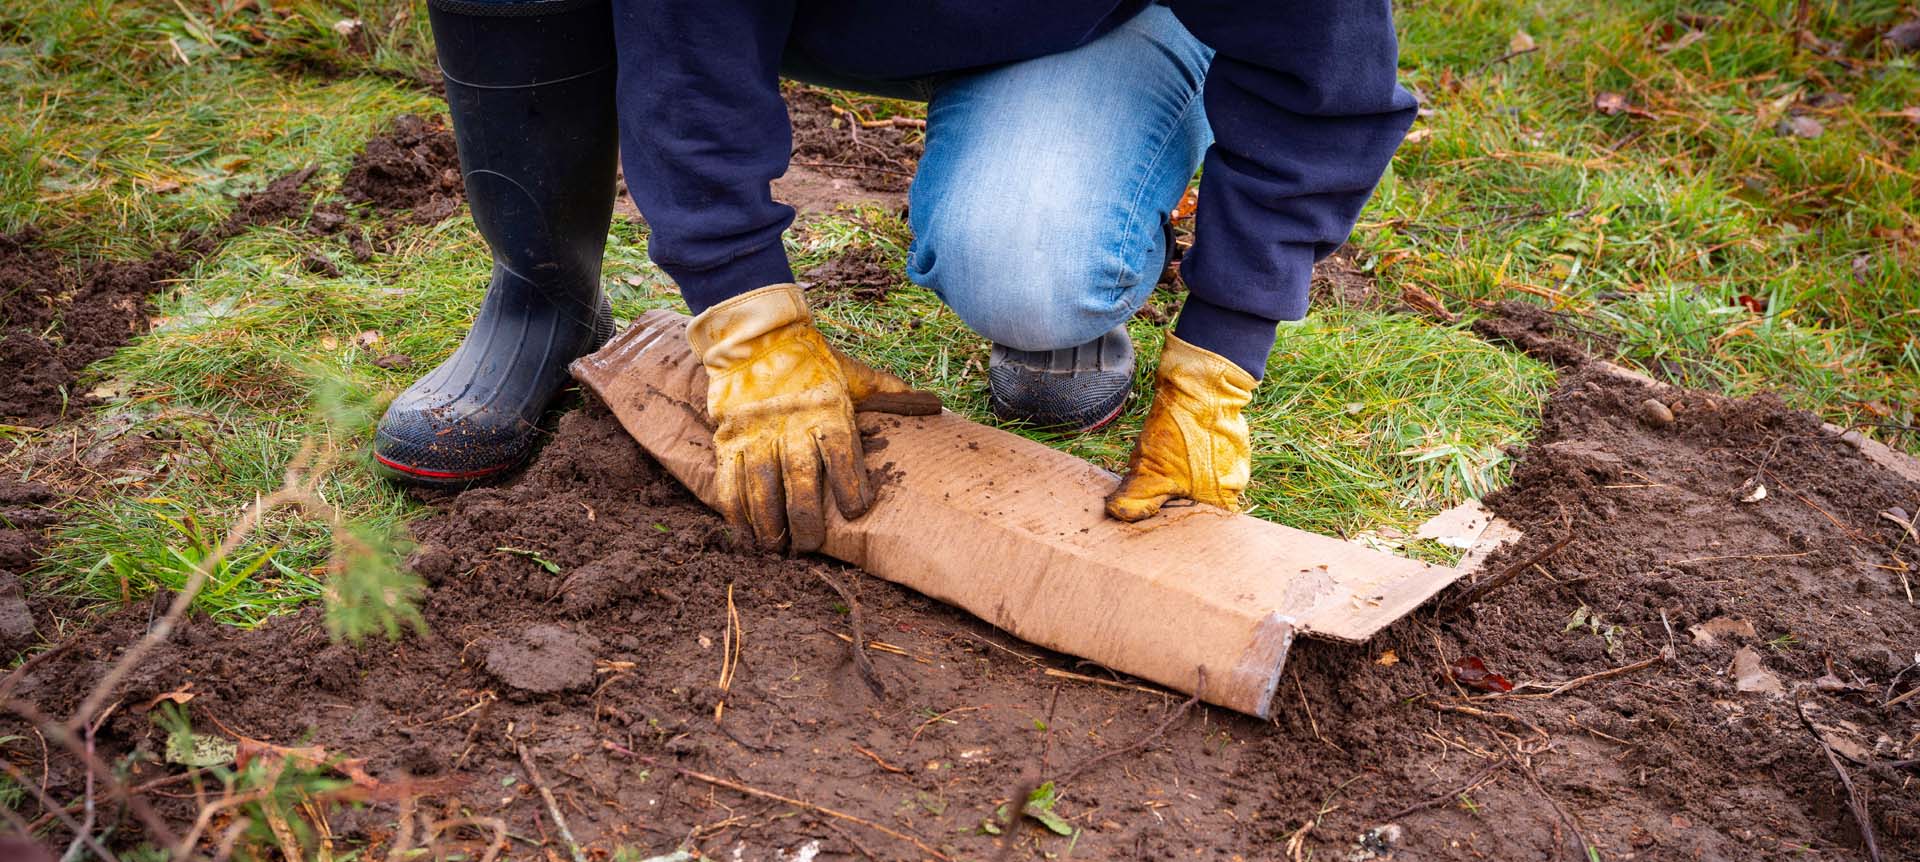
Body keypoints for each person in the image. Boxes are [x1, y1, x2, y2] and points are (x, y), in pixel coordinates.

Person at [375, 1, 1416, 554]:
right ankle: (543, 290)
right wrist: (744, 310)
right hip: (829, 12)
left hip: (1084, 23)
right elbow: (687, 36)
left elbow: (1323, 75)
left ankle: (1062, 291)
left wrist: (1224, 355)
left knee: (1032, 263)